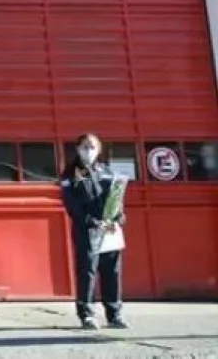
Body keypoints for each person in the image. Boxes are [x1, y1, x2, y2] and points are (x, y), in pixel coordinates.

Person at [60, 133, 128, 330]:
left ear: (99, 150)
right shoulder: (70, 174)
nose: (88, 150)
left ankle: (114, 314)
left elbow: (116, 198)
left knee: (112, 271)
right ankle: (87, 314)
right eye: (84, 146)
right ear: (78, 149)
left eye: (92, 147)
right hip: (87, 231)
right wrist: (91, 222)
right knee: (87, 272)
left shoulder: (106, 171)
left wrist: (118, 217)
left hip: (109, 230)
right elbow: (71, 205)